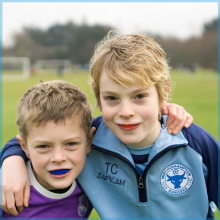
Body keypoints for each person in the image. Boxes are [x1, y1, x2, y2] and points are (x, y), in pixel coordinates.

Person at [1, 32, 196, 218]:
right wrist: (11, 161)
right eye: (112, 98)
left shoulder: (191, 140)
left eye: (140, 96)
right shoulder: (80, 152)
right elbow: (32, 139)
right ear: (100, 99)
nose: (59, 158)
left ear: (88, 141)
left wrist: (162, 108)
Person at [1, 80, 94, 218]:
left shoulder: (95, 173)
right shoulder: (7, 187)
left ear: (89, 141)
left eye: (71, 144)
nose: (58, 158)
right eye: (43, 146)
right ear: (24, 147)